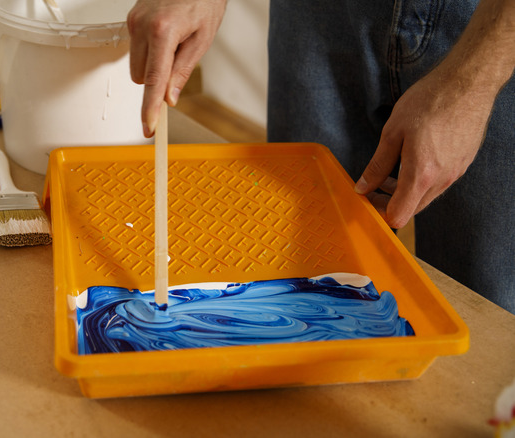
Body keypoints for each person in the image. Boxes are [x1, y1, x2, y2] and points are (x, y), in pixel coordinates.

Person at [126, 0, 515, 313]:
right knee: (296, 265)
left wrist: (472, 84)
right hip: (316, 13)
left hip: (491, 23)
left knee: (484, 310)